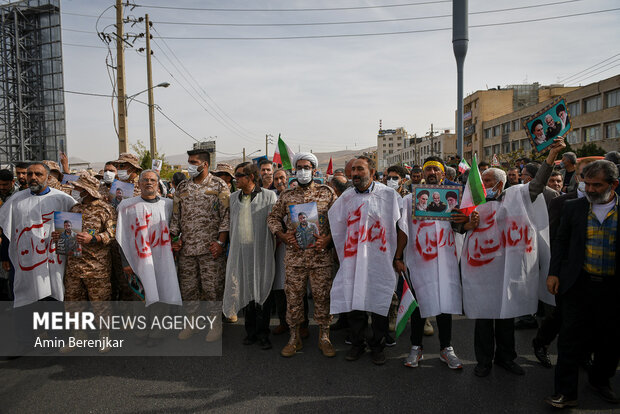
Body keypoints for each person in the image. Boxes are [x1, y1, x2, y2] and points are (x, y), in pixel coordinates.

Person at [462, 137, 565, 378]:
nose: (482, 184)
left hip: (507, 269)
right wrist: (468, 223)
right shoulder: (471, 203)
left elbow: (538, 184)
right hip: (481, 270)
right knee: (484, 316)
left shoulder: (516, 197)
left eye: (488, 181)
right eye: (481, 180)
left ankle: (506, 358)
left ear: (500, 184)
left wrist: (550, 157)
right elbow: (457, 229)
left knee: (506, 315)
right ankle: (484, 361)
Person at [545, 160, 619, 408]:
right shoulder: (574, 208)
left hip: (612, 288)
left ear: (614, 184)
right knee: (569, 339)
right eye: (586, 183)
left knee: (609, 339)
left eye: (597, 185)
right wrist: (554, 273)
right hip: (578, 284)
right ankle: (565, 392)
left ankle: (600, 380)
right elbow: (561, 241)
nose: (590, 189)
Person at [394, 156, 470, 370]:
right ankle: (416, 347)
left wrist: (464, 221)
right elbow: (403, 230)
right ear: (422, 174)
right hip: (419, 262)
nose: (432, 173)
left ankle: (446, 348)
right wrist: (398, 257)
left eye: (436, 170)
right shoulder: (409, 200)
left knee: (445, 304)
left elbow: (461, 228)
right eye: (428, 170)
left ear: (443, 174)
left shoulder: (454, 198)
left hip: (446, 261)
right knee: (419, 304)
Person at [329, 156, 402, 365]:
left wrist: (398, 256)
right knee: (355, 301)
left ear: (372, 171)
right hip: (353, 260)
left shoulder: (389, 196)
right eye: (352, 171)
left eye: (360, 169)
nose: (355, 174)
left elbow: (400, 228)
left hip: (380, 260)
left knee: (379, 301)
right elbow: (337, 226)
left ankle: (377, 346)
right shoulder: (346, 197)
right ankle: (357, 344)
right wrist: (337, 251)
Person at [267, 152, 337, 358]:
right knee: (294, 299)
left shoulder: (327, 193)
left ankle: (324, 337)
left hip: (320, 257)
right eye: (299, 168)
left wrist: (329, 239)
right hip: (295, 258)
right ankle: (294, 337)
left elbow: (340, 221)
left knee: (323, 298)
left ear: (314, 170)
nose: (303, 171)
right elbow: (272, 218)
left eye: (307, 167)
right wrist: (282, 234)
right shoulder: (287, 196)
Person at [531, 157, 597, 369]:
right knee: (561, 315)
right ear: (578, 177)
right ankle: (541, 343)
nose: (590, 184)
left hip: (596, 272)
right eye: (586, 176)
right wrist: (554, 271)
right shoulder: (562, 202)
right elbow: (553, 238)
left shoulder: (609, 203)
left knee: (589, 317)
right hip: (568, 272)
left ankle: (585, 356)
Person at [170, 148, 230, 342]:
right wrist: (174, 238)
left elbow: (226, 217)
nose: (190, 166)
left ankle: (215, 325)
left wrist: (221, 242)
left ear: (205, 164)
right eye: (189, 161)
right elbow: (176, 216)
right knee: (188, 288)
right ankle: (192, 324)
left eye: (193, 162)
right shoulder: (182, 187)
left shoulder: (219, 185)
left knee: (212, 288)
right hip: (187, 248)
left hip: (210, 248)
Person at [54, 173, 117, 354]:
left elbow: (113, 234)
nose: (75, 191)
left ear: (88, 190)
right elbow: (67, 234)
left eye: (79, 188)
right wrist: (59, 237)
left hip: (96, 266)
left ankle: (104, 336)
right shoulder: (74, 209)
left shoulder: (105, 209)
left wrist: (94, 238)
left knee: (100, 303)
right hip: (74, 264)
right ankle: (78, 335)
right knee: (73, 303)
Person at [0, 162, 76, 307]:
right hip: (27, 263)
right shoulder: (15, 201)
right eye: (30, 174)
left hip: (54, 262)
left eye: (38, 174)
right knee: (27, 310)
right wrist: (5, 256)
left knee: (54, 307)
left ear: (47, 178)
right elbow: (7, 230)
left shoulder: (64, 199)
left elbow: (74, 233)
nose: (33, 177)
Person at [223, 162, 277, 349]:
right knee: (246, 292)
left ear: (251, 177)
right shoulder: (233, 198)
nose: (235, 179)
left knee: (262, 292)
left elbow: (275, 223)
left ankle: (264, 333)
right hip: (243, 254)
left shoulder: (269, 196)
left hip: (262, 252)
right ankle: (251, 331)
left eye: (239, 175)